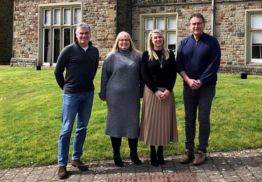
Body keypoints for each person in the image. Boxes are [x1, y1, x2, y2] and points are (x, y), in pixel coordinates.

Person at [54, 23, 99, 179]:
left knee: (82, 127)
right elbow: (58, 71)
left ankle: (76, 159)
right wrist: (66, 88)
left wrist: (85, 86)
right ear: (76, 35)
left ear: (90, 35)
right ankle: (62, 164)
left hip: (88, 93)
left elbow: (93, 70)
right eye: (81, 33)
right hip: (71, 95)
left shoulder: (94, 51)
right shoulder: (68, 50)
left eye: (86, 33)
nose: (84, 36)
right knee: (66, 129)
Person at [177, 13, 221, 165]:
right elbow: (179, 65)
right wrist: (188, 80)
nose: (196, 26)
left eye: (199, 23)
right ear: (189, 26)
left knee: (203, 119)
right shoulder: (183, 43)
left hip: (206, 87)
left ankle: (202, 151)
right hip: (188, 87)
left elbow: (214, 65)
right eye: (193, 24)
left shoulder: (212, 42)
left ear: (204, 25)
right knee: (189, 119)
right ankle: (189, 150)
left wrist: (201, 81)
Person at [99, 31, 143, 167]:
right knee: (116, 125)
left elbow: (143, 76)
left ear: (130, 42)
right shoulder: (111, 57)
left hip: (132, 97)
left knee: (133, 124)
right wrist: (103, 93)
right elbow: (104, 76)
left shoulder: (138, 56)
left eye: (126, 40)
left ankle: (134, 154)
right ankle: (116, 155)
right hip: (115, 98)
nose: (124, 42)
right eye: (121, 40)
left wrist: (141, 92)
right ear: (117, 42)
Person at [139, 29, 178, 166]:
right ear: (151, 40)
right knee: (152, 123)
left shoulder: (170, 54)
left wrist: (168, 90)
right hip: (151, 92)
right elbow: (144, 75)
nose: (158, 39)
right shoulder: (146, 55)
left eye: (160, 37)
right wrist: (155, 91)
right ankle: (152, 152)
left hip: (167, 92)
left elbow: (173, 74)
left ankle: (160, 152)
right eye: (155, 38)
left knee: (164, 123)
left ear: (163, 39)